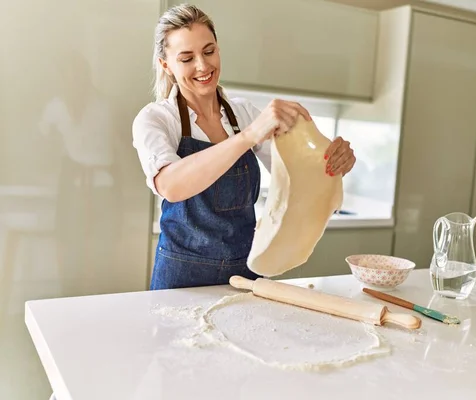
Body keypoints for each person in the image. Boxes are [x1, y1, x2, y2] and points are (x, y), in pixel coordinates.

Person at [132, 3, 356, 290]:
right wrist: (247, 137)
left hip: (245, 274)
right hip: (181, 277)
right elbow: (171, 186)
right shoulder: (156, 119)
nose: (203, 66)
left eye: (209, 51)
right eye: (186, 58)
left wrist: (335, 162)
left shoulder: (243, 113)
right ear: (167, 65)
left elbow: (301, 176)